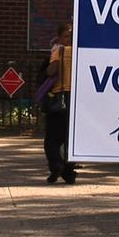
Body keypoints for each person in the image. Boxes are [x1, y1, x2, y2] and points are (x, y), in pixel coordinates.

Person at [44, 23, 76, 184]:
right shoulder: (80, 51)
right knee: (70, 137)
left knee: (52, 138)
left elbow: (51, 71)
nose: (68, 39)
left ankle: (56, 164)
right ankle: (70, 171)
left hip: (60, 95)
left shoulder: (59, 50)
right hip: (76, 99)